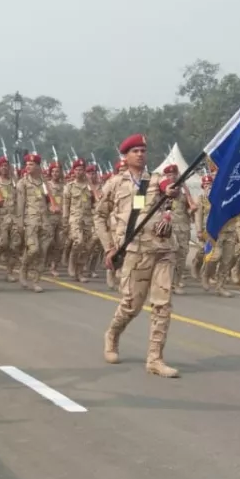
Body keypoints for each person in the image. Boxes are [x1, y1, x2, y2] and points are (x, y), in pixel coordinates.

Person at [95, 133, 180, 378]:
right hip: (134, 251)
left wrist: (171, 193)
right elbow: (99, 216)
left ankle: (155, 358)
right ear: (125, 156)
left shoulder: (156, 180)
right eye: (136, 151)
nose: (141, 154)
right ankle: (112, 334)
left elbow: (168, 189)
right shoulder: (115, 183)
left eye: (143, 150)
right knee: (132, 304)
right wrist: (109, 246)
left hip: (163, 249)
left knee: (162, 305)